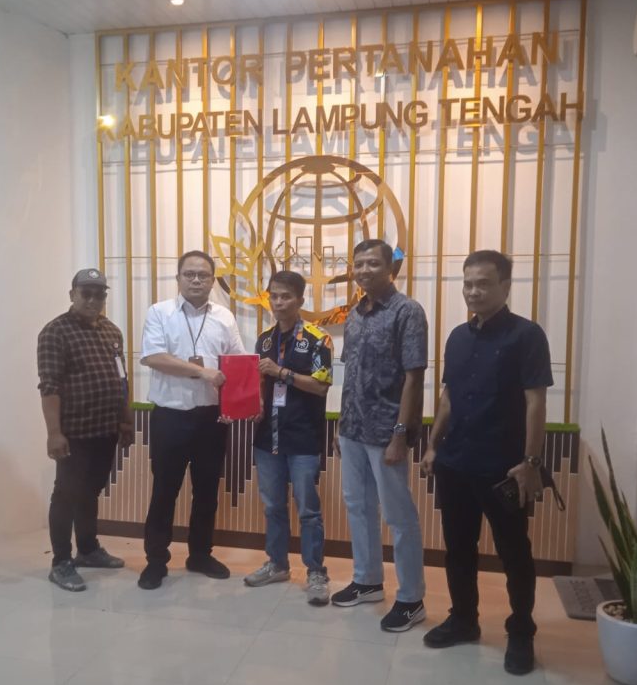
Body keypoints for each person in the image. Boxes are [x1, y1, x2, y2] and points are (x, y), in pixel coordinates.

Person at [419, 249, 552, 675]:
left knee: (515, 553)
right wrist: (433, 445)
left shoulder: (527, 336)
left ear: (505, 286)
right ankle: (463, 619)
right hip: (455, 463)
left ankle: (521, 632)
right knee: (458, 548)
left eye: (483, 283)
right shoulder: (457, 337)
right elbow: (448, 397)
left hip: (504, 468)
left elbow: (535, 403)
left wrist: (531, 462)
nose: (473, 291)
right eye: (468, 283)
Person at [333, 239, 429, 633]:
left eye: (373, 263)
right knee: (358, 507)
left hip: (387, 431)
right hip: (353, 429)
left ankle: (412, 598)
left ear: (390, 268)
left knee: (398, 516)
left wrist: (401, 434)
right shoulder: (355, 314)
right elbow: (351, 374)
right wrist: (342, 425)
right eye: (358, 264)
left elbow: (414, 378)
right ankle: (368, 580)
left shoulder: (407, 311)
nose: (364, 270)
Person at [138, 250, 247, 590]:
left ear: (213, 280)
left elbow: (237, 364)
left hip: (211, 419)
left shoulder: (224, 317)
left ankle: (200, 555)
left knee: (206, 492)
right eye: (189, 274)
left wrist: (239, 405)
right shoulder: (160, 312)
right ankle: (156, 561)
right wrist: (201, 372)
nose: (196, 280)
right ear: (178, 278)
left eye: (203, 275)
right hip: (170, 417)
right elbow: (154, 357)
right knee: (164, 491)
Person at [37, 268, 134, 592]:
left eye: (99, 294)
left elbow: (121, 379)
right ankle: (61, 562)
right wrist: (54, 433)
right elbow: (49, 386)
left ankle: (89, 550)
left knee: (91, 491)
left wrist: (125, 420)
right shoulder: (55, 332)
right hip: (74, 433)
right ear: (72, 295)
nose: (93, 300)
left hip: (105, 430)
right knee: (66, 494)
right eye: (86, 293)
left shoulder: (111, 331)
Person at [245, 271, 333, 606]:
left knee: (308, 510)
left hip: (304, 438)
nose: (279, 302)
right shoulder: (264, 340)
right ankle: (278, 565)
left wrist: (282, 372)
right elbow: (260, 385)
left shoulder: (318, 338)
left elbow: (321, 386)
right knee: (273, 506)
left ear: (300, 300)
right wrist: (253, 405)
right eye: (274, 296)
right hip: (267, 438)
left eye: (286, 296)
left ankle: (316, 572)